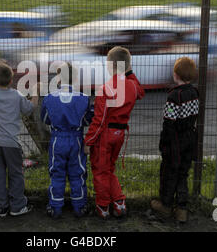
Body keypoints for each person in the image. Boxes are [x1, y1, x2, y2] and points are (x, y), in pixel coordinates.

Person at [84, 46, 145, 219]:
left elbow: (99, 120)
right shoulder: (133, 86)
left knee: (100, 170)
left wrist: (89, 141)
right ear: (127, 66)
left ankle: (103, 206)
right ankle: (119, 202)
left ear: (110, 66)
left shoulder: (106, 89)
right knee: (109, 169)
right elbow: (141, 92)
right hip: (120, 135)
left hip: (105, 136)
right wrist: (129, 72)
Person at [0, 60, 37, 217]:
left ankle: (2, 206)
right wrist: (35, 94)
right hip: (12, 143)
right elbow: (29, 109)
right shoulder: (16, 95)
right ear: (11, 81)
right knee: (15, 174)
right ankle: (17, 206)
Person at [40, 62, 94, 219]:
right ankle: (79, 206)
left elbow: (45, 119)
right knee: (77, 173)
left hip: (57, 139)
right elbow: (87, 120)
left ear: (58, 78)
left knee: (57, 172)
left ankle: (55, 207)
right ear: (75, 78)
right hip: (76, 139)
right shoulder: (83, 98)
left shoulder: (50, 98)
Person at [150, 57, 199, 223]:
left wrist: (165, 143)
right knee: (183, 174)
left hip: (175, 141)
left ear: (175, 74)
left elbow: (168, 122)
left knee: (169, 173)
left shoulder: (173, 97)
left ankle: (165, 205)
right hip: (189, 139)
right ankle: (182, 209)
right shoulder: (195, 93)